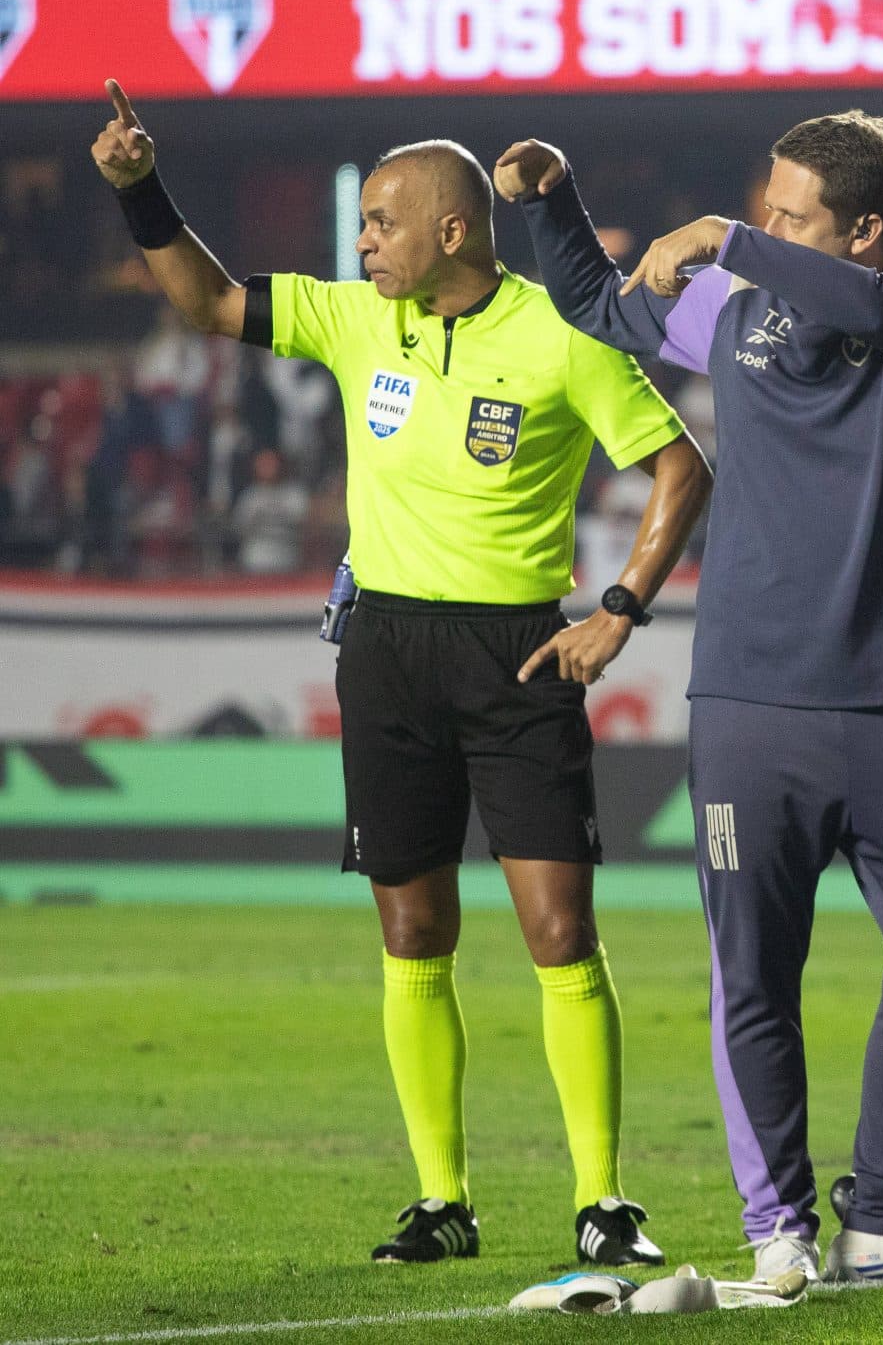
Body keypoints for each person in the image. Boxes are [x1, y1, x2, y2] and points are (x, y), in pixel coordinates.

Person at [92, 82, 712, 1266]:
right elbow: (208, 300)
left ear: (452, 229)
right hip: (384, 655)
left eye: (382, 222)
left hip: (517, 653)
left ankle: (601, 1202)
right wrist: (139, 190)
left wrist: (620, 608)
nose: (364, 241)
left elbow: (680, 468)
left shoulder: (560, 334)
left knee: (558, 930)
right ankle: (442, 1202)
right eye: (363, 224)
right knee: (412, 930)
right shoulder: (353, 318)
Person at [498, 111, 883, 1287]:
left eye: (793, 216)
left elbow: (875, 312)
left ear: (866, 230)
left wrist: (729, 235)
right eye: (763, 205)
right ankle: (779, 1229)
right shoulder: (734, 301)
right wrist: (553, 203)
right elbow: (600, 306)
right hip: (747, 706)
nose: (768, 226)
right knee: (754, 977)